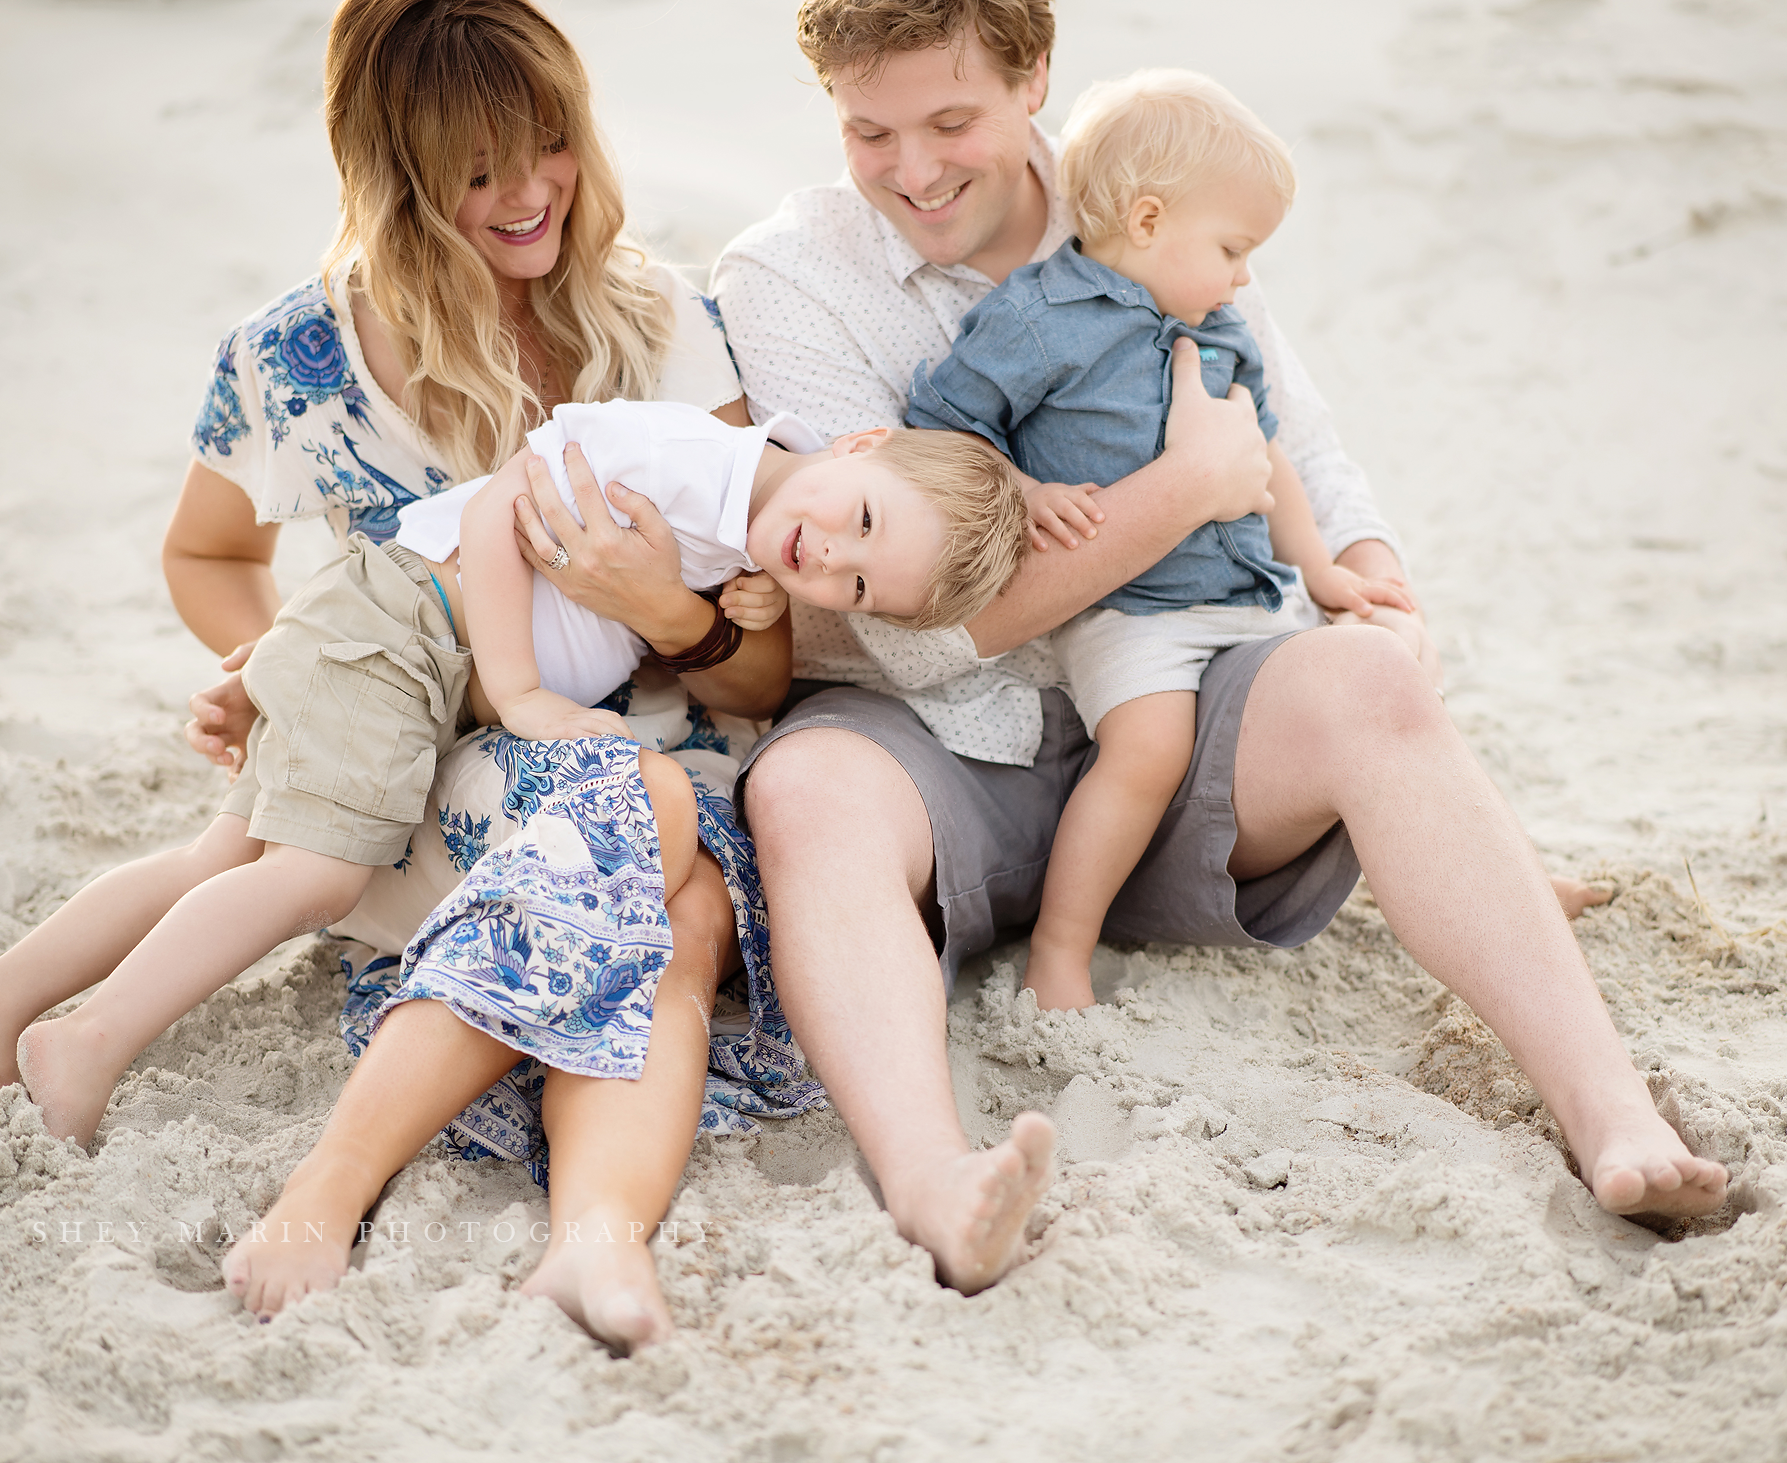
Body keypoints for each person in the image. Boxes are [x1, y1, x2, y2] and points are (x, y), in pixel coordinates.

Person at [707, 0, 1727, 1295]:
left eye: (951, 121)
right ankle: (936, 1182)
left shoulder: (1157, 182)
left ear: (1034, 81)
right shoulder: (788, 275)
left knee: (1368, 678)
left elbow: (1296, 437)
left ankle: (1615, 1117)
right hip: (938, 746)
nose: (913, 170)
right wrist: (1183, 490)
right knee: (804, 786)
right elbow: (899, 628)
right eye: (870, 132)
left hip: (1181, 694)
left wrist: (1375, 580)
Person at [0, 0, 806, 1353]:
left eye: (549, 144)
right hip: (420, 758)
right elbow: (209, 550)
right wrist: (270, 662)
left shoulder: (670, 330)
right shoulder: (297, 354)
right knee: (544, 837)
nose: (527, 195)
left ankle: (583, 1236)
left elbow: (767, 672)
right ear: (395, 177)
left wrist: (672, 614)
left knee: (633, 840)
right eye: (476, 170)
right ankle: (338, 1175)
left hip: (575, 763)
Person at [0, 396, 1024, 1149]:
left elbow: (741, 651)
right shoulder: (696, 466)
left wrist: (746, 600)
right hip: (412, 628)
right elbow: (500, 503)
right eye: (861, 521)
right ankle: (86, 1039)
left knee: (225, 854)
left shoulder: (745, 535)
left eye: (861, 587)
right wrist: (519, 686)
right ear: (857, 442)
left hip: (398, 641)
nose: (831, 559)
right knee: (314, 877)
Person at [906, 69, 1418, 1010]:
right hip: (1127, 608)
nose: (1244, 274)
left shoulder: (1219, 329)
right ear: (1146, 221)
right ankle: (1063, 945)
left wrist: (1326, 574)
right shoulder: (1038, 318)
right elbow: (939, 423)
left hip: (1247, 594)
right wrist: (1020, 490)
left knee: (1383, 691)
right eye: (1232, 247)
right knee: (1145, 752)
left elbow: (1271, 456)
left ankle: (1457, 856)